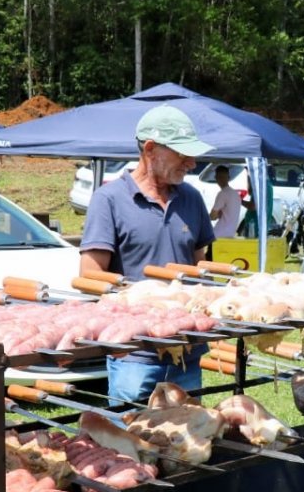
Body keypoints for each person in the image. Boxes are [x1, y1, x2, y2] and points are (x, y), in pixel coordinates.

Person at [80, 105, 215, 402]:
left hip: (187, 350)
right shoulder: (109, 200)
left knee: (188, 438)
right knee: (134, 438)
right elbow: (90, 276)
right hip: (135, 355)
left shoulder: (191, 198)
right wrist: (143, 299)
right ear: (151, 149)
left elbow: (200, 264)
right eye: (182, 154)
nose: (192, 163)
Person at [208, 164, 242, 239]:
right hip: (230, 234)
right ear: (229, 178)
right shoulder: (235, 194)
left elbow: (213, 216)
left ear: (215, 178)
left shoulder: (222, 194)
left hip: (219, 234)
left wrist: (203, 217)